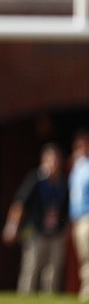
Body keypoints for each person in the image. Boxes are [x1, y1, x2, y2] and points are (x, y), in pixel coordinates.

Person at [3, 141, 69, 295]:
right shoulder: (35, 180)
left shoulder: (63, 183)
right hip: (36, 232)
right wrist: (12, 226)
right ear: (44, 161)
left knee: (53, 271)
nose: (54, 164)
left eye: (57, 160)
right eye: (51, 160)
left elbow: (66, 209)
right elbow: (19, 203)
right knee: (31, 268)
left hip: (56, 233)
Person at [70, 129, 89, 302]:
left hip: (87, 218)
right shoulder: (76, 168)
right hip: (77, 220)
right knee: (83, 257)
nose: (79, 148)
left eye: (82, 145)